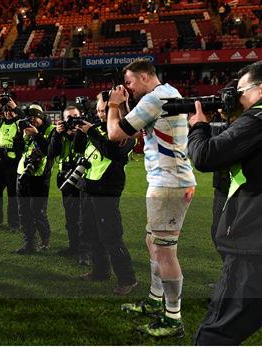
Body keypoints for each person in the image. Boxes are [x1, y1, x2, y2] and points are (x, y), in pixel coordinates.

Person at [106, 59, 196, 337]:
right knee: (152, 241)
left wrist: (112, 105)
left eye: (130, 82)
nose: (128, 88)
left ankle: (172, 318)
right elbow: (136, 123)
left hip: (168, 184)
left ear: (145, 77)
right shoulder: (167, 93)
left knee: (164, 250)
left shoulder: (155, 98)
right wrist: (124, 105)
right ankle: (156, 299)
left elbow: (115, 133)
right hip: (168, 181)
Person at [188, 61, 262, 345]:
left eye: (240, 90)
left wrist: (199, 127)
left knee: (216, 333)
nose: (236, 96)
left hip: (253, 245)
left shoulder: (256, 119)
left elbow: (207, 156)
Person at [74, 93, 137, 295]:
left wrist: (91, 131)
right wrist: (78, 132)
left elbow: (113, 152)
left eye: (105, 110)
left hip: (107, 190)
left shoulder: (125, 131)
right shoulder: (98, 128)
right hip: (89, 187)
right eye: (99, 110)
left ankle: (128, 279)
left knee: (111, 235)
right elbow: (79, 150)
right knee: (90, 231)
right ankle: (100, 271)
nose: (101, 114)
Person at [48, 105, 91, 264]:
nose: (72, 121)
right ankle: (73, 246)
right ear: (64, 120)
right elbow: (51, 154)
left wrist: (79, 132)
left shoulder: (86, 132)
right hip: (65, 179)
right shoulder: (59, 133)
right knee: (70, 217)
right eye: (69, 118)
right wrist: (57, 135)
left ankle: (85, 253)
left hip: (81, 179)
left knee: (83, 218)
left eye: (75, 117)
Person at [15, 103, 55, 254]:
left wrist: (36, 134)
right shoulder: (26, 129)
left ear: (41, 117)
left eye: (34, 118)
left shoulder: (51, 130)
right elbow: (18, 148)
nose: (32, 121)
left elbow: (49, 151)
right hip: (22, 173)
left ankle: (45, 238)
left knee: (38, 211)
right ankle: (29, 243)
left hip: (40, 177)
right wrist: (20, 133)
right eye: (29, 118)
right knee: (23, 211)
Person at [0, 94, 24, 230]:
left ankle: (14, 223)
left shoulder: (20, 124)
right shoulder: (0, 123)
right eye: (5, 110)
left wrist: (16, 108)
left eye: (10, 110)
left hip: (12, 165)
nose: (7, 113)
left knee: (13, 196)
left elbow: (25, 119)